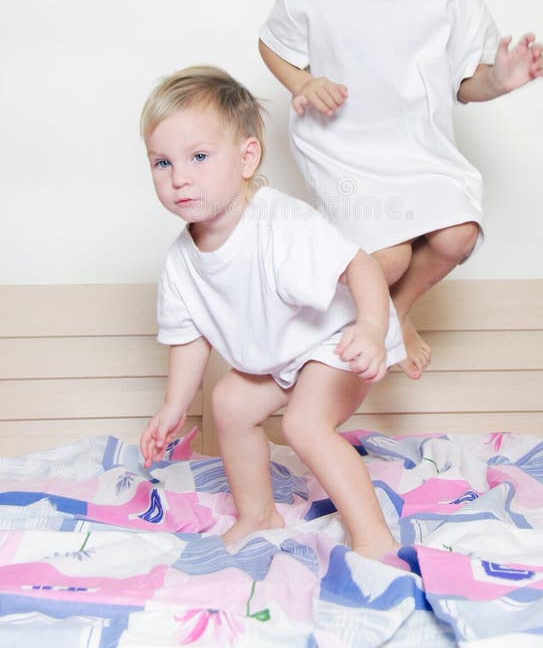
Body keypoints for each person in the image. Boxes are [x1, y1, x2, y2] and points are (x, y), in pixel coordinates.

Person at [258, 0, 543, 380]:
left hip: (419, 152)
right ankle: (357, 326)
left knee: (458, 233)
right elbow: (272, 47)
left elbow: (466, 82)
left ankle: (394, 310)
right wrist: (302, 83)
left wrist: (501, 80)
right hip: (344, 151)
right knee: (385, 258)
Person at [139, 65, 405, 561]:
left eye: (198, 156)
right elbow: (189, 337)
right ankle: (258, 514)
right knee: (230, 403)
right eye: (162, 163)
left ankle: (374, 538)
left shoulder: (279, 222)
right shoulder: (180, 261)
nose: (179, 178)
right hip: (284, 355)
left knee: (305, 424)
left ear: (246, 158)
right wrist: (174, 406)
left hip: (339, 339)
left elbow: (359, 263)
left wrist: (371, 326)